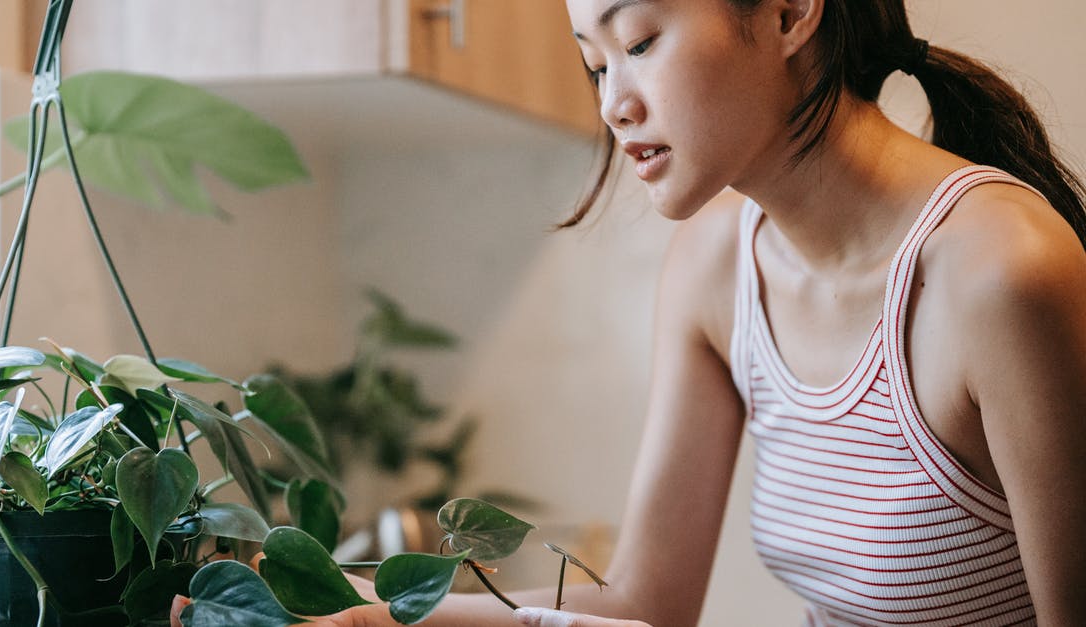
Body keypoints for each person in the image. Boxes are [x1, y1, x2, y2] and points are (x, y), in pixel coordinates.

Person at [314, 0, 1086, 624]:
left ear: (789, 14)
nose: (613, 103)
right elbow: (643, 603)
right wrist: (363, 614)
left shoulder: (1001, 273)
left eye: (640, 42)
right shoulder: (716, 262)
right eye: (594, 62)